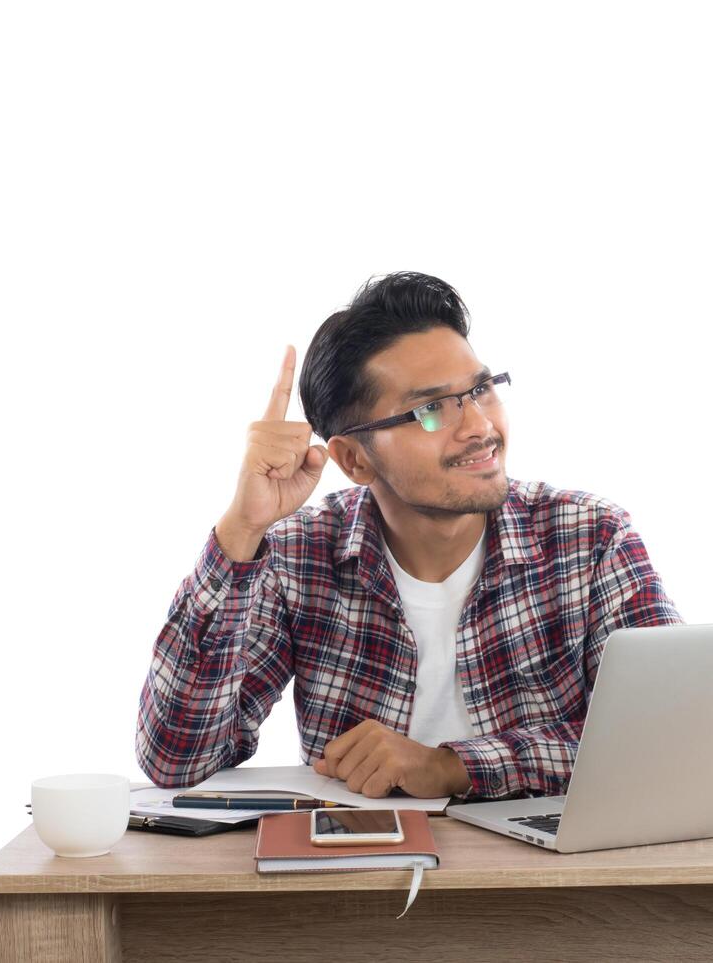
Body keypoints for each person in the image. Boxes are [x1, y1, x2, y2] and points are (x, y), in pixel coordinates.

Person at [135, 271, 683, 800]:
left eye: (481, 389)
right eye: (429, 409)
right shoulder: (299, 555)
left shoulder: (590, 537)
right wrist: (244, 527)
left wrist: (451, 766)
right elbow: (176, 757)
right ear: (353, 460)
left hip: (547, 877)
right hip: (363, 880)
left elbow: (671, 734)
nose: (479, 428)